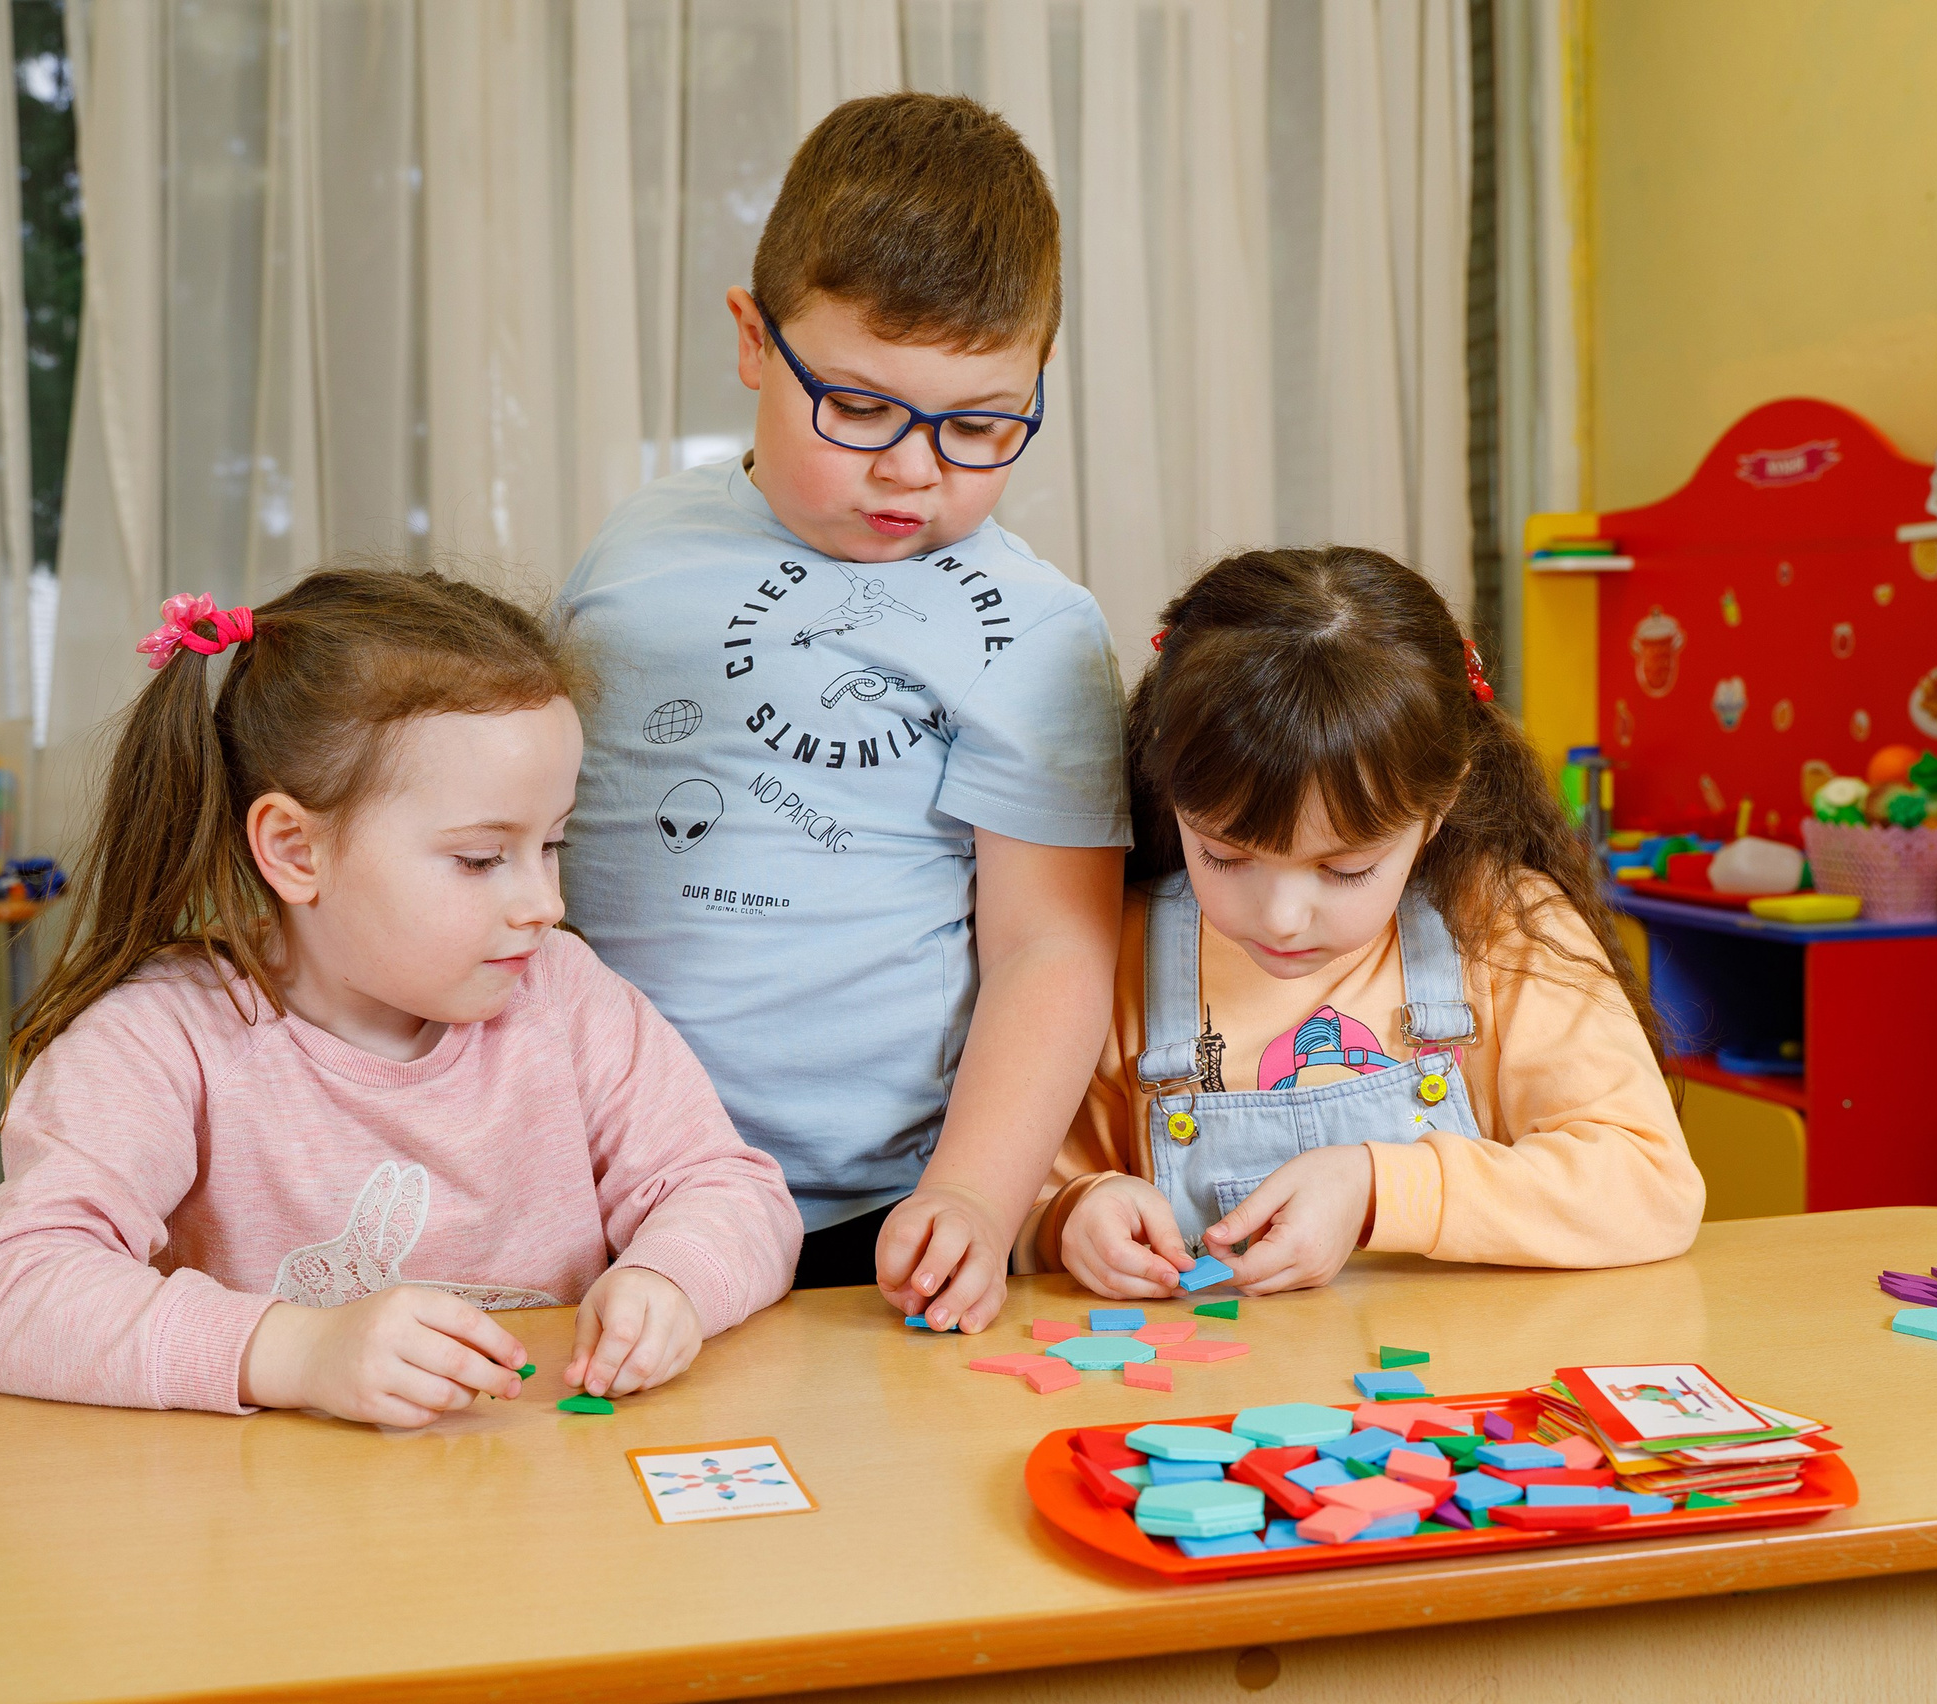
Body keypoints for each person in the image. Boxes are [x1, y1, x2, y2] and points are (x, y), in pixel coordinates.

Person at [0, 567, 801, 1426]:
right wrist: (295, 1352)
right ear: (294, 849)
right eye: (479, 858)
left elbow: (729, 1190)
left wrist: (671, 1276)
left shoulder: (566, 997)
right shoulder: (158, 1040)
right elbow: (12, 1291)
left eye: (553, 843)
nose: (547, 903)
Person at [558, 93, 1127, 1333]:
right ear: (754, 340)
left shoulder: (1037, 628)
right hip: (582, 1180)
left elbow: (1051, 946)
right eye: (859, 409)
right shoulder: (635, 548)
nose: (911, 469)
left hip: (868, 1214)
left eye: (980, 426)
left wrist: (977, 1197)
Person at [1024, 547, 1704, 1297]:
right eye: (1224, 856)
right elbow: (1022, 1202)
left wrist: (1380, 1188)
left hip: (1457, 1395)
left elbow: (1652, 1186)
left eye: (1344, 870)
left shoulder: (1501, 925)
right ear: (1168, 789)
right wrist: (1075, 1216)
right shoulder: (1115, 951)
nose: (1282, 918)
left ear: (1438, 808)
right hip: (1207, 1401)